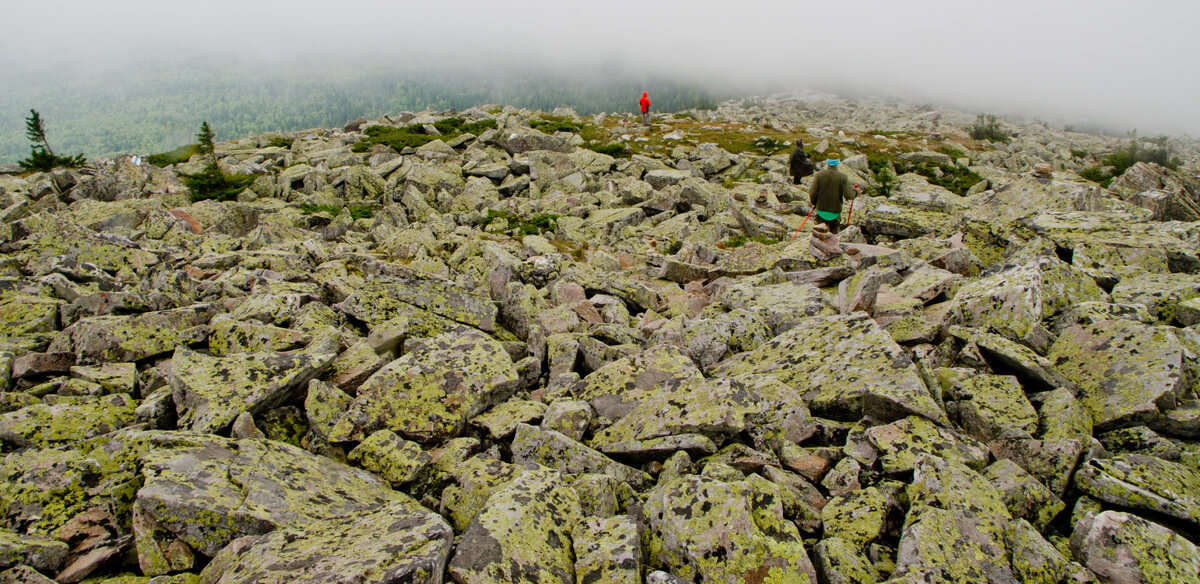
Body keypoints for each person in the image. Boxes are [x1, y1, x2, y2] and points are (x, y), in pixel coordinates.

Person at [808, 158, 861, 233]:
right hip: (835, 211)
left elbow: (812, 192)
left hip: (821, 210)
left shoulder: (819, 175)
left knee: (819, 234)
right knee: (833, 235)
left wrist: (815, 203)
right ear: (837, 163)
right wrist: (856, 192)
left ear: (827, 162)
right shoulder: (843, 177)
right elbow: (849, 195)